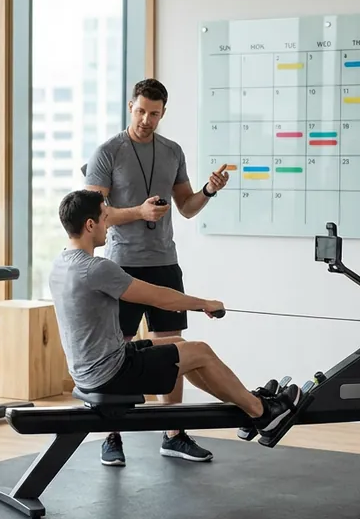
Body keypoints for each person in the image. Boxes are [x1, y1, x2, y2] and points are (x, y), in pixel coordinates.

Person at [50, 190, 300, 467]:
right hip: (110, 372)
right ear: (89, 225)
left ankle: (248, 404)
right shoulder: (96, 269)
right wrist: (204, 303)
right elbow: (160, 297)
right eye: (105, 218)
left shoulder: (61, 262)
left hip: (90, 368)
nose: (108, 225)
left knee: (180, 344)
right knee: (201, 352)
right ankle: (263, 412)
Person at [83, 77, 230, 464]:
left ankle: (173, 432)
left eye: (154, 113)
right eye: (140, 111)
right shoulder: (108, 152)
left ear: (164, 113)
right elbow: (95, 214)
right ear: (130, 106)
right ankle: (111, 435)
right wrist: (138, 212)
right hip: (121, 263)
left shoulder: (172, 151)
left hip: (164, 260)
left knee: (172, 348)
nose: (146, 119)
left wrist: (209, 191)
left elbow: (187, 207)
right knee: (118, 349)